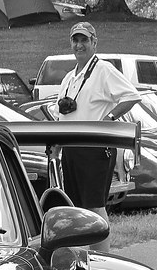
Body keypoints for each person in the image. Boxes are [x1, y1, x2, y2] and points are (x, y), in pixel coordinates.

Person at [54, 21, 140, 252]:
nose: (79, 45)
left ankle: (104, 260)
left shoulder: (103, 70)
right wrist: (58, 145)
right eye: (75, 40)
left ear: (94, 42)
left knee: (94, 208)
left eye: (84, 40)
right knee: (76, 209)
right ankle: (84, 257)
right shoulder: (69, 77)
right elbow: (62, 115)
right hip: (72, 148)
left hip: (94, 148)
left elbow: (131, 96)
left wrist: (109, 119)